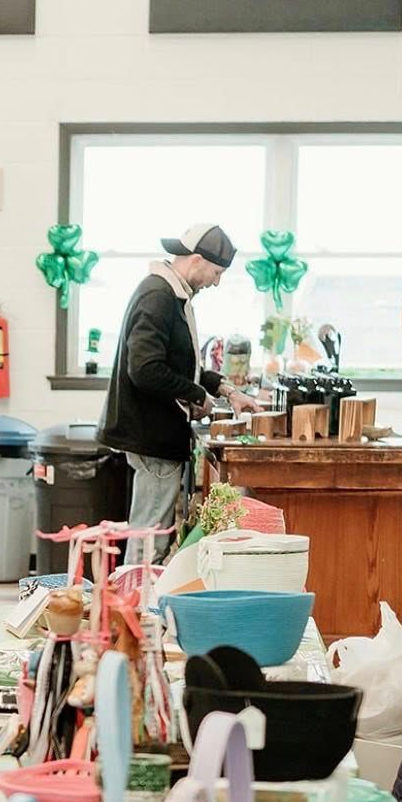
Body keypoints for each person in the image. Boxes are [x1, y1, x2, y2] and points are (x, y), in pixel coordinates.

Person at [99, 223, 261, 564]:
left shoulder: (171, 294)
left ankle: (139, 608)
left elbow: (178, 364)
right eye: (216, 272)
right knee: (149, 541)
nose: (216, 282)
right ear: (197, 260)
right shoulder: (159, 297)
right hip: (151, 435)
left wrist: (226, 389)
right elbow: (144, 370)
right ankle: (135, 611)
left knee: (151, 535)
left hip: (156, 435)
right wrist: (197, 394)